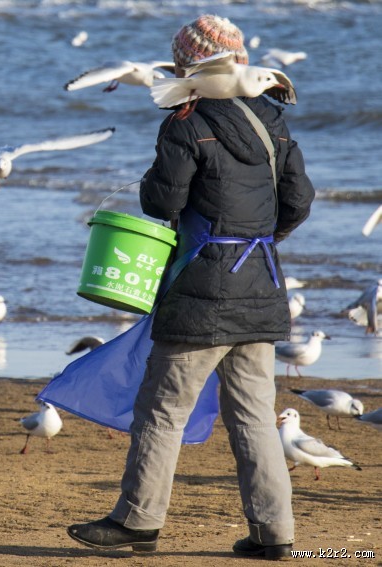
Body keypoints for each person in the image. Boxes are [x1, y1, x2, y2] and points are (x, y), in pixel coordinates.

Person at [66, 14, 315, 561]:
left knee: (162, 409)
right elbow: (298, 201)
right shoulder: (272, 118)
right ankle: (275, 535)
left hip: (202, 289)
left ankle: (138, 522)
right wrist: (260, 239)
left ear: (189, 63)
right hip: (262, 282)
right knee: (253, 416)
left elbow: (162, 204)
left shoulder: (186, 121)